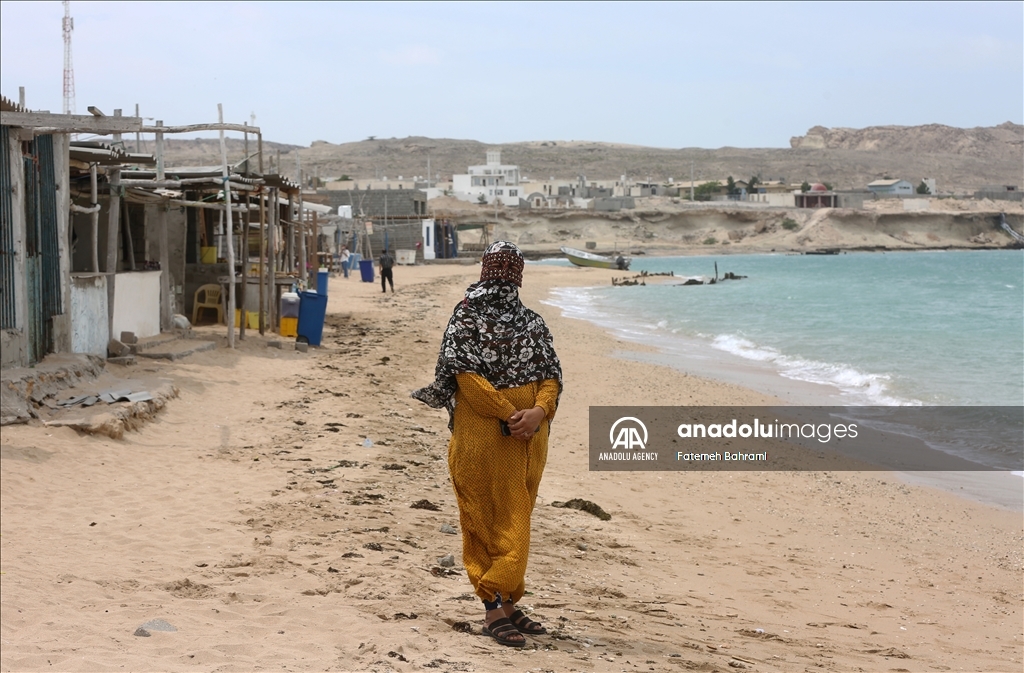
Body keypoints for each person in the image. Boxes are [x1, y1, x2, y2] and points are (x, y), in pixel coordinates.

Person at [412, 241, 562, 648]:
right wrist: (519, 414)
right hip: (494, 435)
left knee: (512, 517)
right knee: (485, 515)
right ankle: (493, 605)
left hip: (524, 439)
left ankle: (508, 602)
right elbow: (466, 378)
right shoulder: (473, 316)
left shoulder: (525, 321)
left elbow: (550, 375)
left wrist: (537, 413)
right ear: (517, 274)